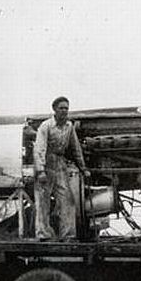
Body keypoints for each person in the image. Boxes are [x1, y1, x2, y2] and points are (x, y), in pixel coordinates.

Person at [33, 96, 90, 241]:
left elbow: (76, 148)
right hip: (46, 162)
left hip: (60, 163)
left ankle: (68, 235)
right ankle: (43, 234)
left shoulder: (69, 126)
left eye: (66, 108)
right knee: (43, 200)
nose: (64, 111)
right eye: (61, 108)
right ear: (54, 109)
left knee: (67, 200)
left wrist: (83, 168)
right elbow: (39, 149)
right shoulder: (46, 126)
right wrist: (40, 171)